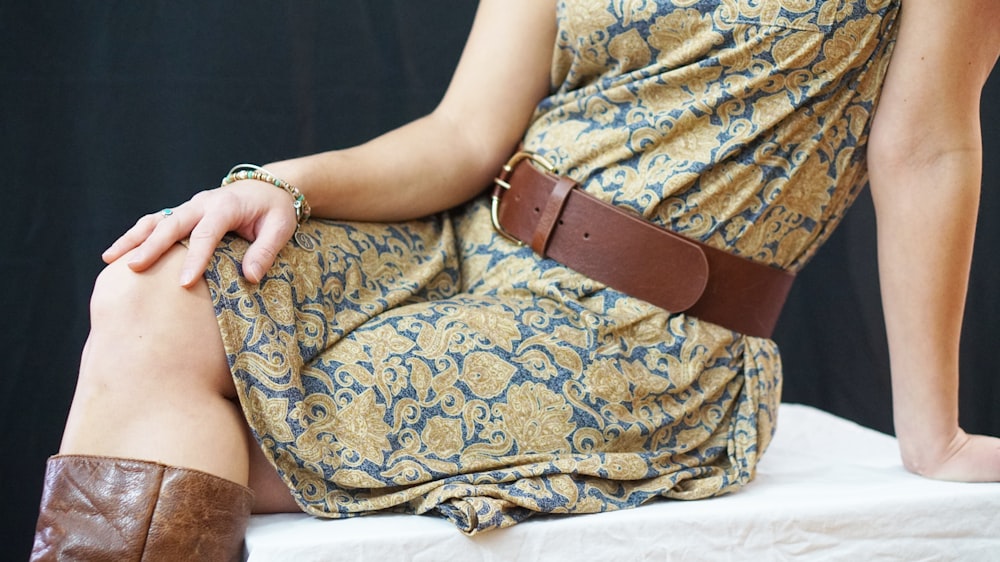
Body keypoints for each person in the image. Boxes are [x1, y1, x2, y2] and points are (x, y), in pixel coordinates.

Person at [31, 0, 1000, 559]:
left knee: (232, 428)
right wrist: (280, 182)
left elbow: (922, 150)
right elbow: (461, 137)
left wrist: (932, 434)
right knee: (155, 288)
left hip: (642, 332)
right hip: (462, 240)